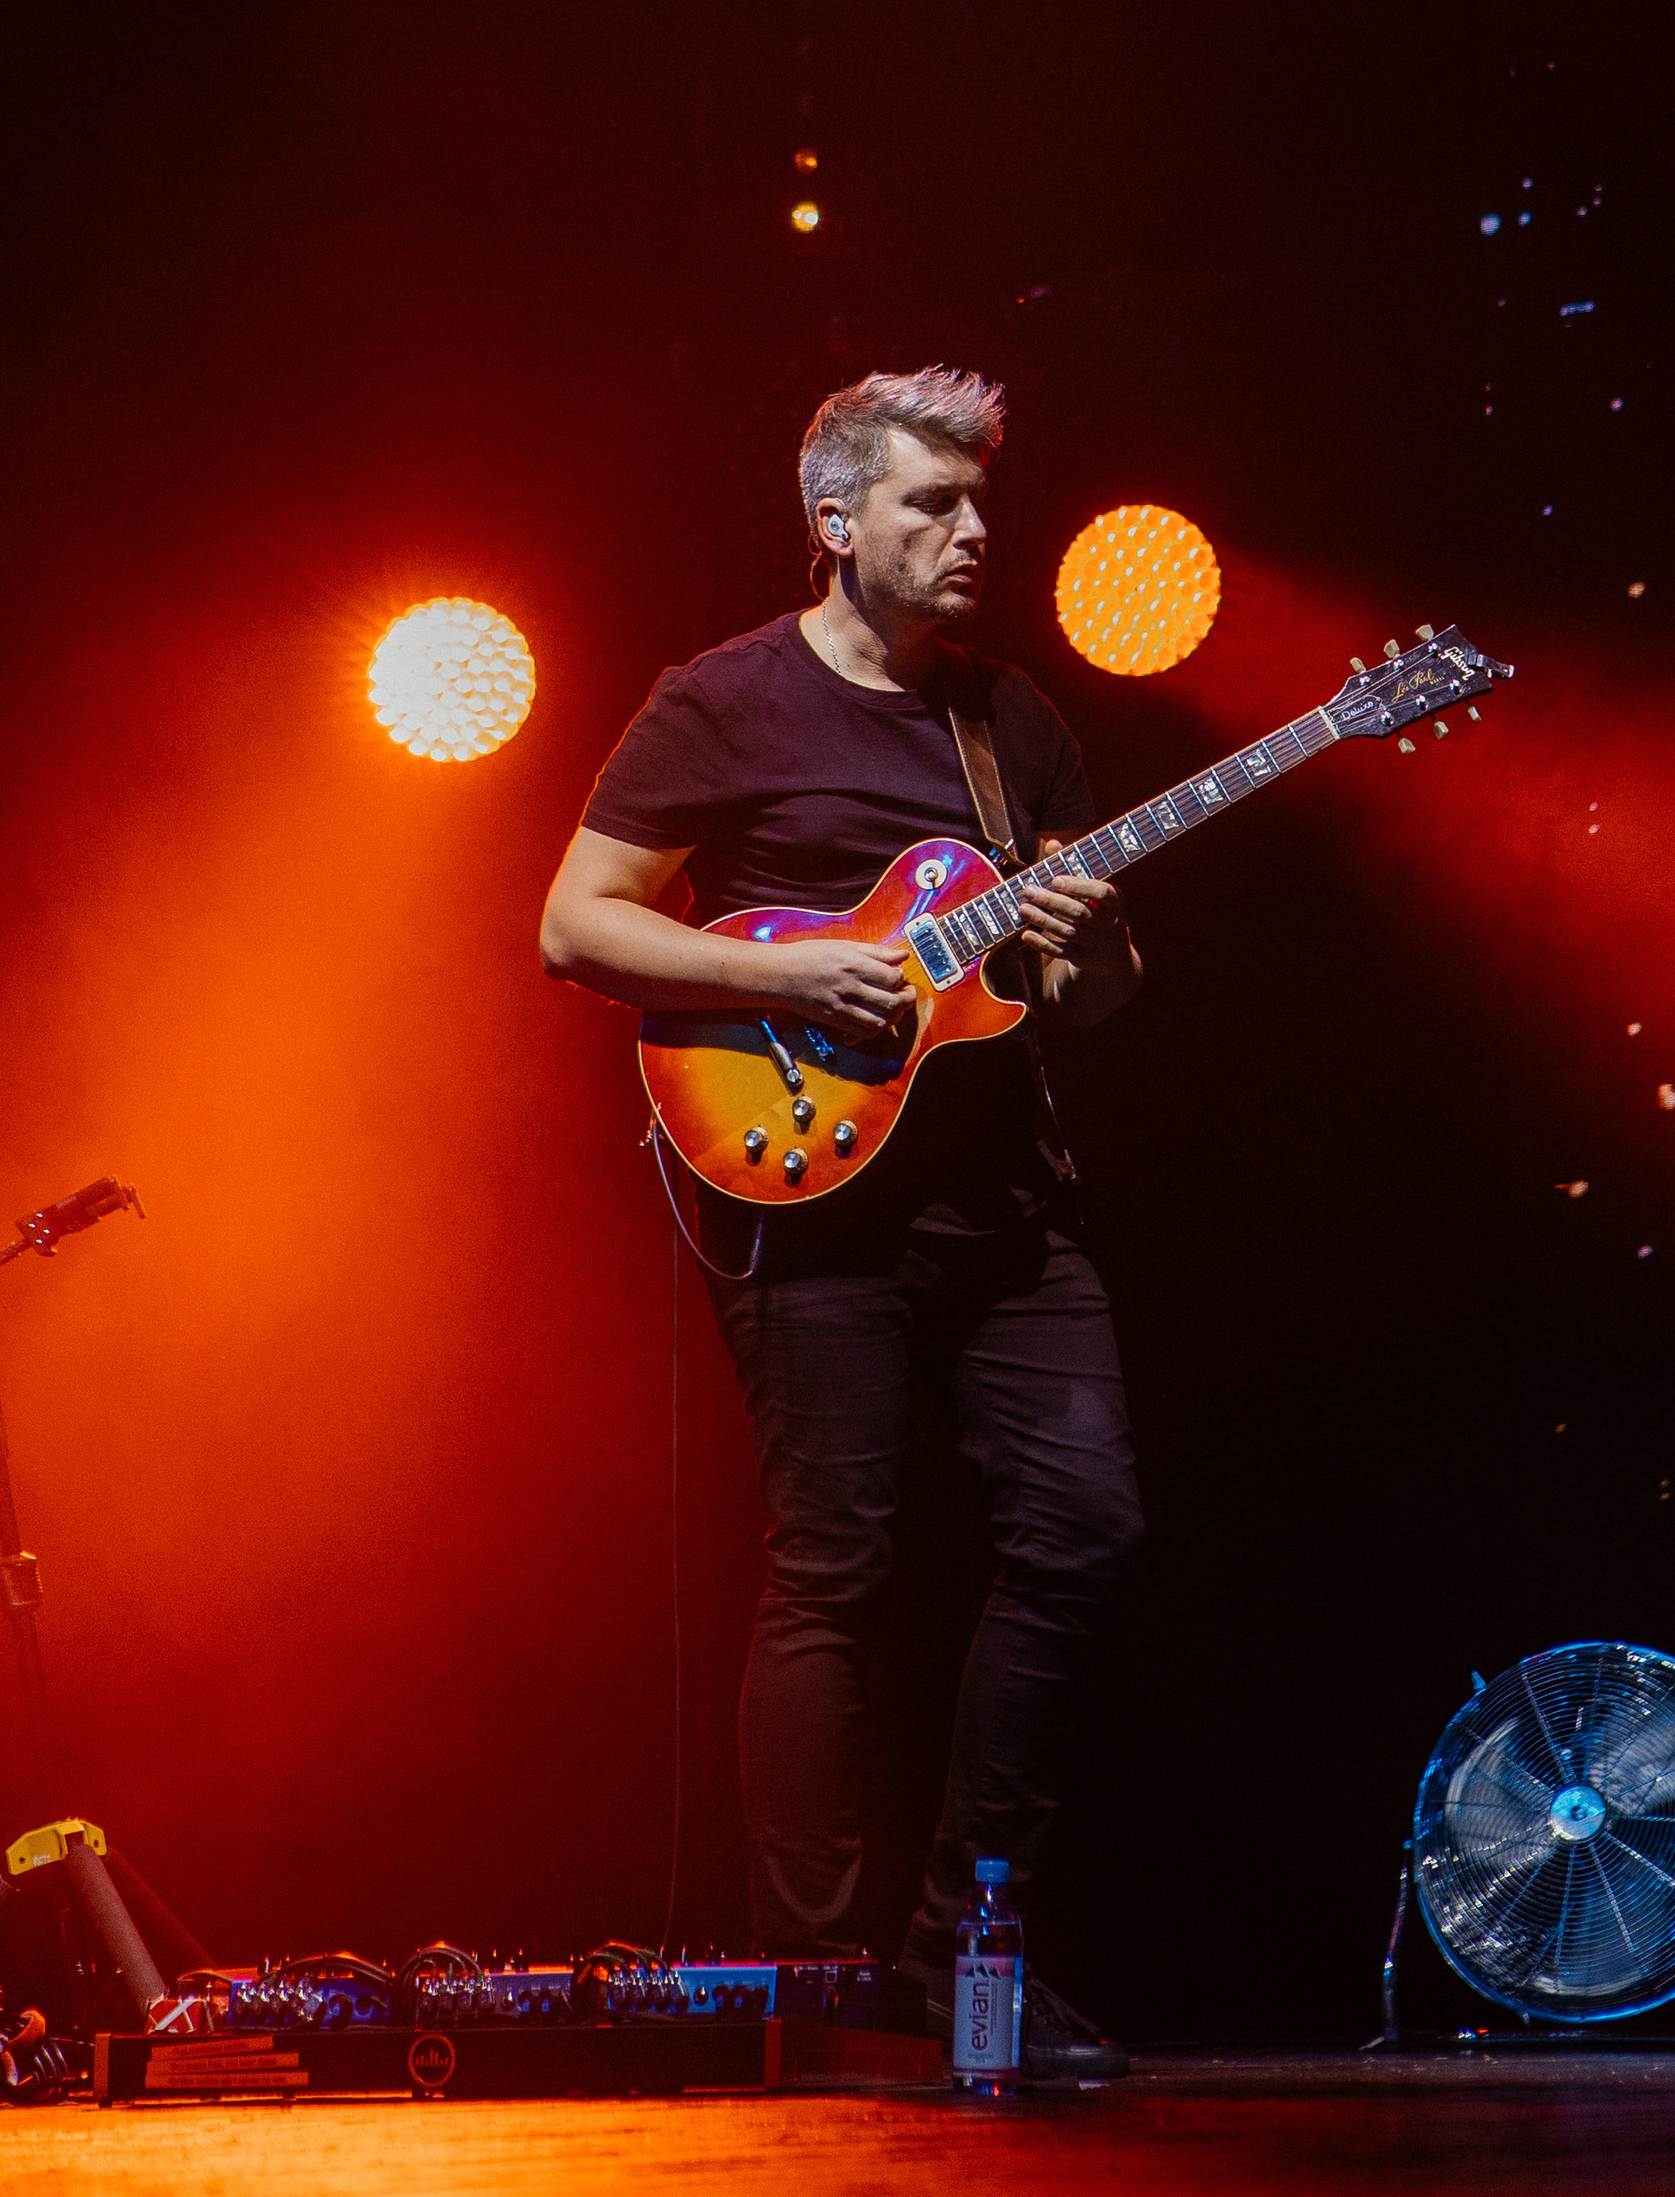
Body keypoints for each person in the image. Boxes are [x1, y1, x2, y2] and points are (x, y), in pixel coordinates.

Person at [538, 365, 1143, 2078]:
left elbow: (1085, 1003)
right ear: (836, 522)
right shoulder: (721, 703)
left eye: (977, 511)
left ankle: (969, 1958)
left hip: (1009, 1204)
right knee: (841, 1564)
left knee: (1087, 1532)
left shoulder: (1013, 722)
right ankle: (817, 1991)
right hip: (803, 1190)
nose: (967, 537)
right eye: (927, 508)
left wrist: (1088, 947)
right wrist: (785, 969)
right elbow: (576, 929)